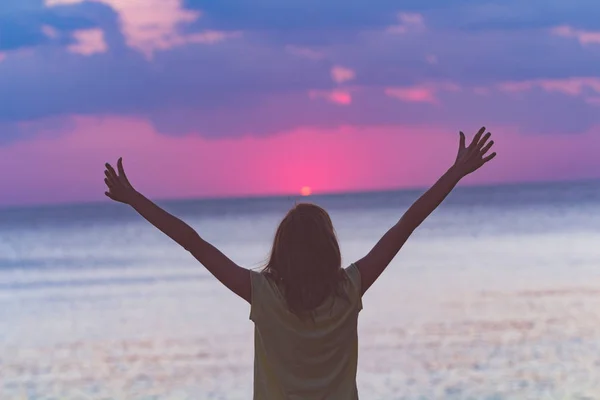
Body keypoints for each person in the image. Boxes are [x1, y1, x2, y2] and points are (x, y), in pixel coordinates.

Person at [103, 127, 496, 399]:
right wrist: (455, 172)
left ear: (282, 250)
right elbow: (407, 224)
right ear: (329, 248)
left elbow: (193, 243)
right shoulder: (350, 289)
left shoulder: (262, 294)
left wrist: (135, 199)